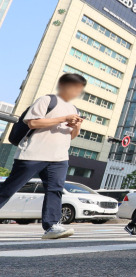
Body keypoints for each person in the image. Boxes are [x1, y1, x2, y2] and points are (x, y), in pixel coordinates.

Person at [0, 73, 86, 239]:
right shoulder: (47, 100)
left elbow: (72, 136)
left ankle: (52, 226)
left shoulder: (75, 110)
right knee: (9, 188)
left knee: (55, 190)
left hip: (60, 157)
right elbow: (32, 122)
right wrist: (63, 118)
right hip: (34, 153)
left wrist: (76, 125)